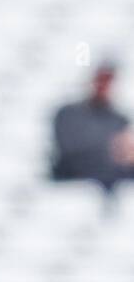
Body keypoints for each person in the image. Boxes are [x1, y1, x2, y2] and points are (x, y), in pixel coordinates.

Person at [51, 60, 134, 194]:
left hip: (110, 177)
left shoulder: (119, 119)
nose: (104, 86)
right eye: (101, 79)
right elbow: (69, 151)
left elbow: (123, 154)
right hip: (74, 178)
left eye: (108, 81)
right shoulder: (68, 114)